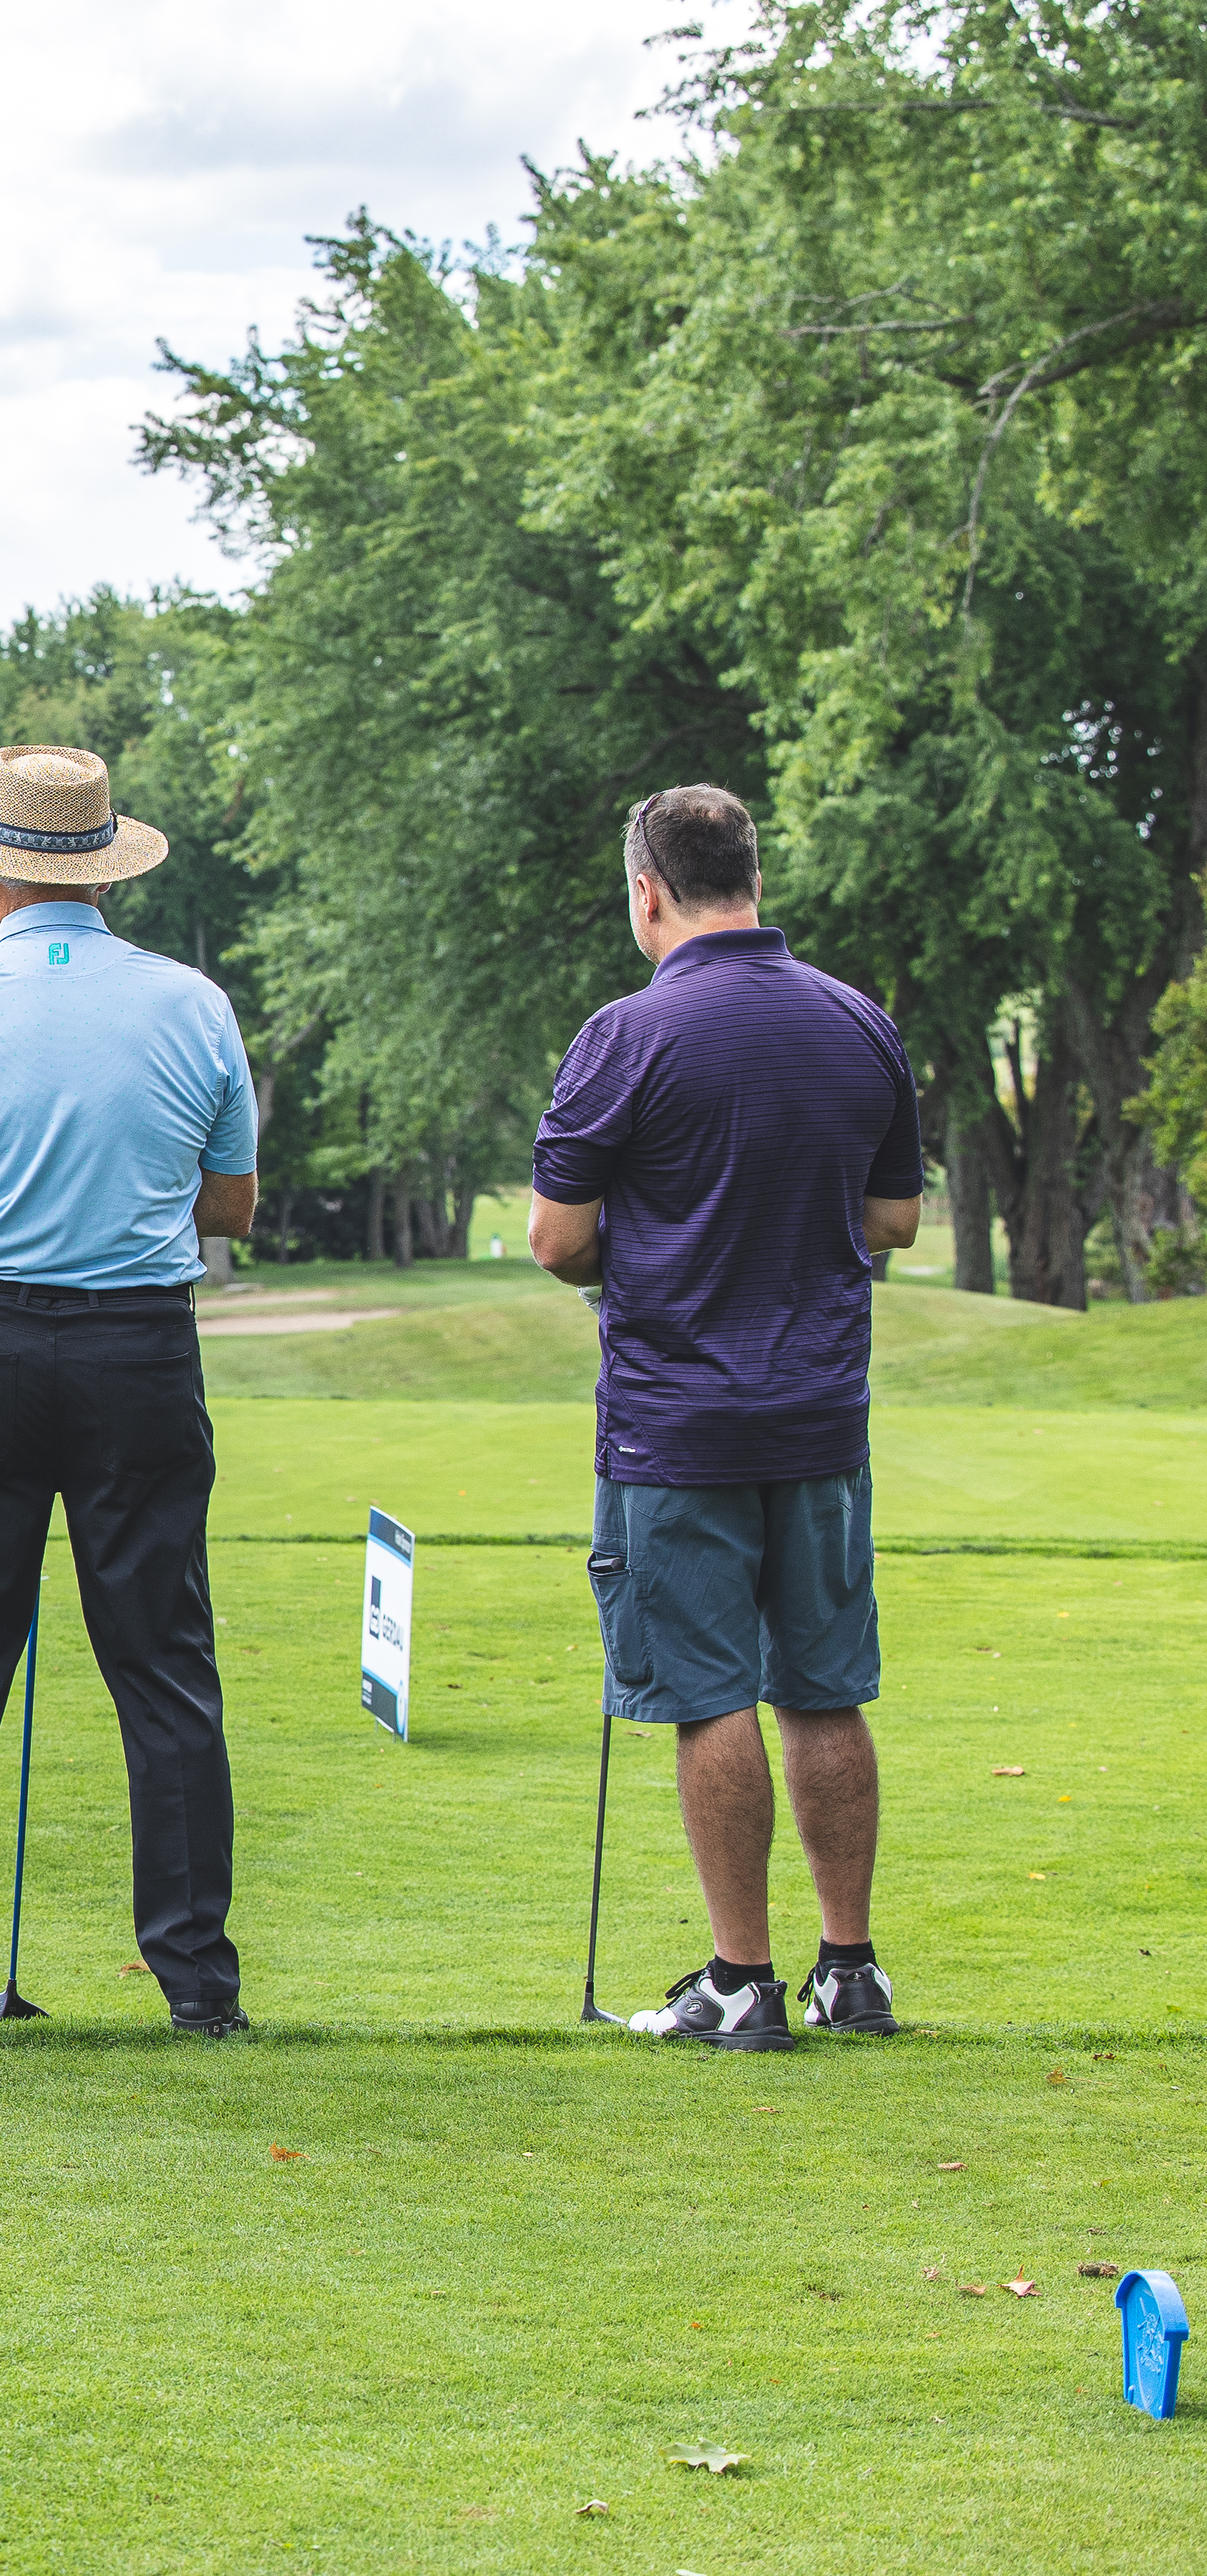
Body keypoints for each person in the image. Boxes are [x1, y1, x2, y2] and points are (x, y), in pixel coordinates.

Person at [0, 745, 258, 2036]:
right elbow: (232, 1202)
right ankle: (196, 1983)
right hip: (139, 1348)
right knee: (164, 1668)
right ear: (104, 870)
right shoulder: (193, 1004)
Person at [529, 784, 922, 2052]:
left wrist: (638, 1256)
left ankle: (740, 1980)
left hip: (674, 1423)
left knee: (708, 1695)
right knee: (822, 1687)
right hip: (818, 1414)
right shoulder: (860, 1024)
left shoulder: (625, 1034)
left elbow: (558, 1237)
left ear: (648, 889)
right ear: (748, 874)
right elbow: (894, 1221)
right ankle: (847, 1970)